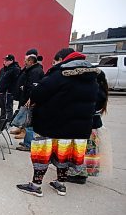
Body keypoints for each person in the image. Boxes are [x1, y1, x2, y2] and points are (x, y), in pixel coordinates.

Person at [16, 48, 99, 197]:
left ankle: (36, 185)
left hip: (52, 124)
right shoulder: (92, 77)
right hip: (78, 127)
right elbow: (98, 101)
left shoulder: (60, 74)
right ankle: (61, 184)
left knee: (42, 155)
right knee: (64, 155)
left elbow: (38, 93)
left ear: (62, 59)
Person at [67, 71, 109, 183]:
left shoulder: (97, 92)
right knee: (86, 152)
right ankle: (80, 173)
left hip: (90, 126)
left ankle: (80, 174)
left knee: (83, 152)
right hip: (92, 125)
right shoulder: (100, 91)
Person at [14, 53, 44, 151]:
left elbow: (34, 87)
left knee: (29, 123)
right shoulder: (32, 70)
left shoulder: (35, 72)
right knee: (27, 123)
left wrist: (31, 99)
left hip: (31, 101)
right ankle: (27, 141)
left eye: (26, 61)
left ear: (31, 61)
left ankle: (29, 144)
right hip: (28, 99)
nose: (24, 62)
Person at [0, 54, 20, 122]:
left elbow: (16, 81)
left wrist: (12, 90)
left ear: (11, 60)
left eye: (6, 60)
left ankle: (9, 121)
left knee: (8, 107)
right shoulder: (3, 69)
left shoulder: (15, 69)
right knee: (2, 107)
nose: (5, 61)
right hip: (1, 91)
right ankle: (2, 120)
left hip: (8, 92)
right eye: (4, 60)